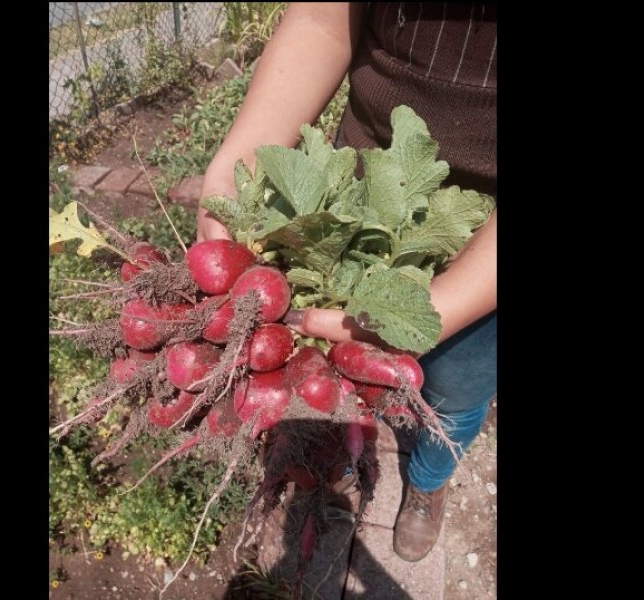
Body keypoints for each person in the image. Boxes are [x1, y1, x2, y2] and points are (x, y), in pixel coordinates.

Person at [197, 3, 496, 562]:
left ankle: (429, 480)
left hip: (485, 258)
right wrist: (235, 165)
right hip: (349, 203)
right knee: (342, 392)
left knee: (454, 396)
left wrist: (451, 302)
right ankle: (337, 454)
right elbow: (319, 20)